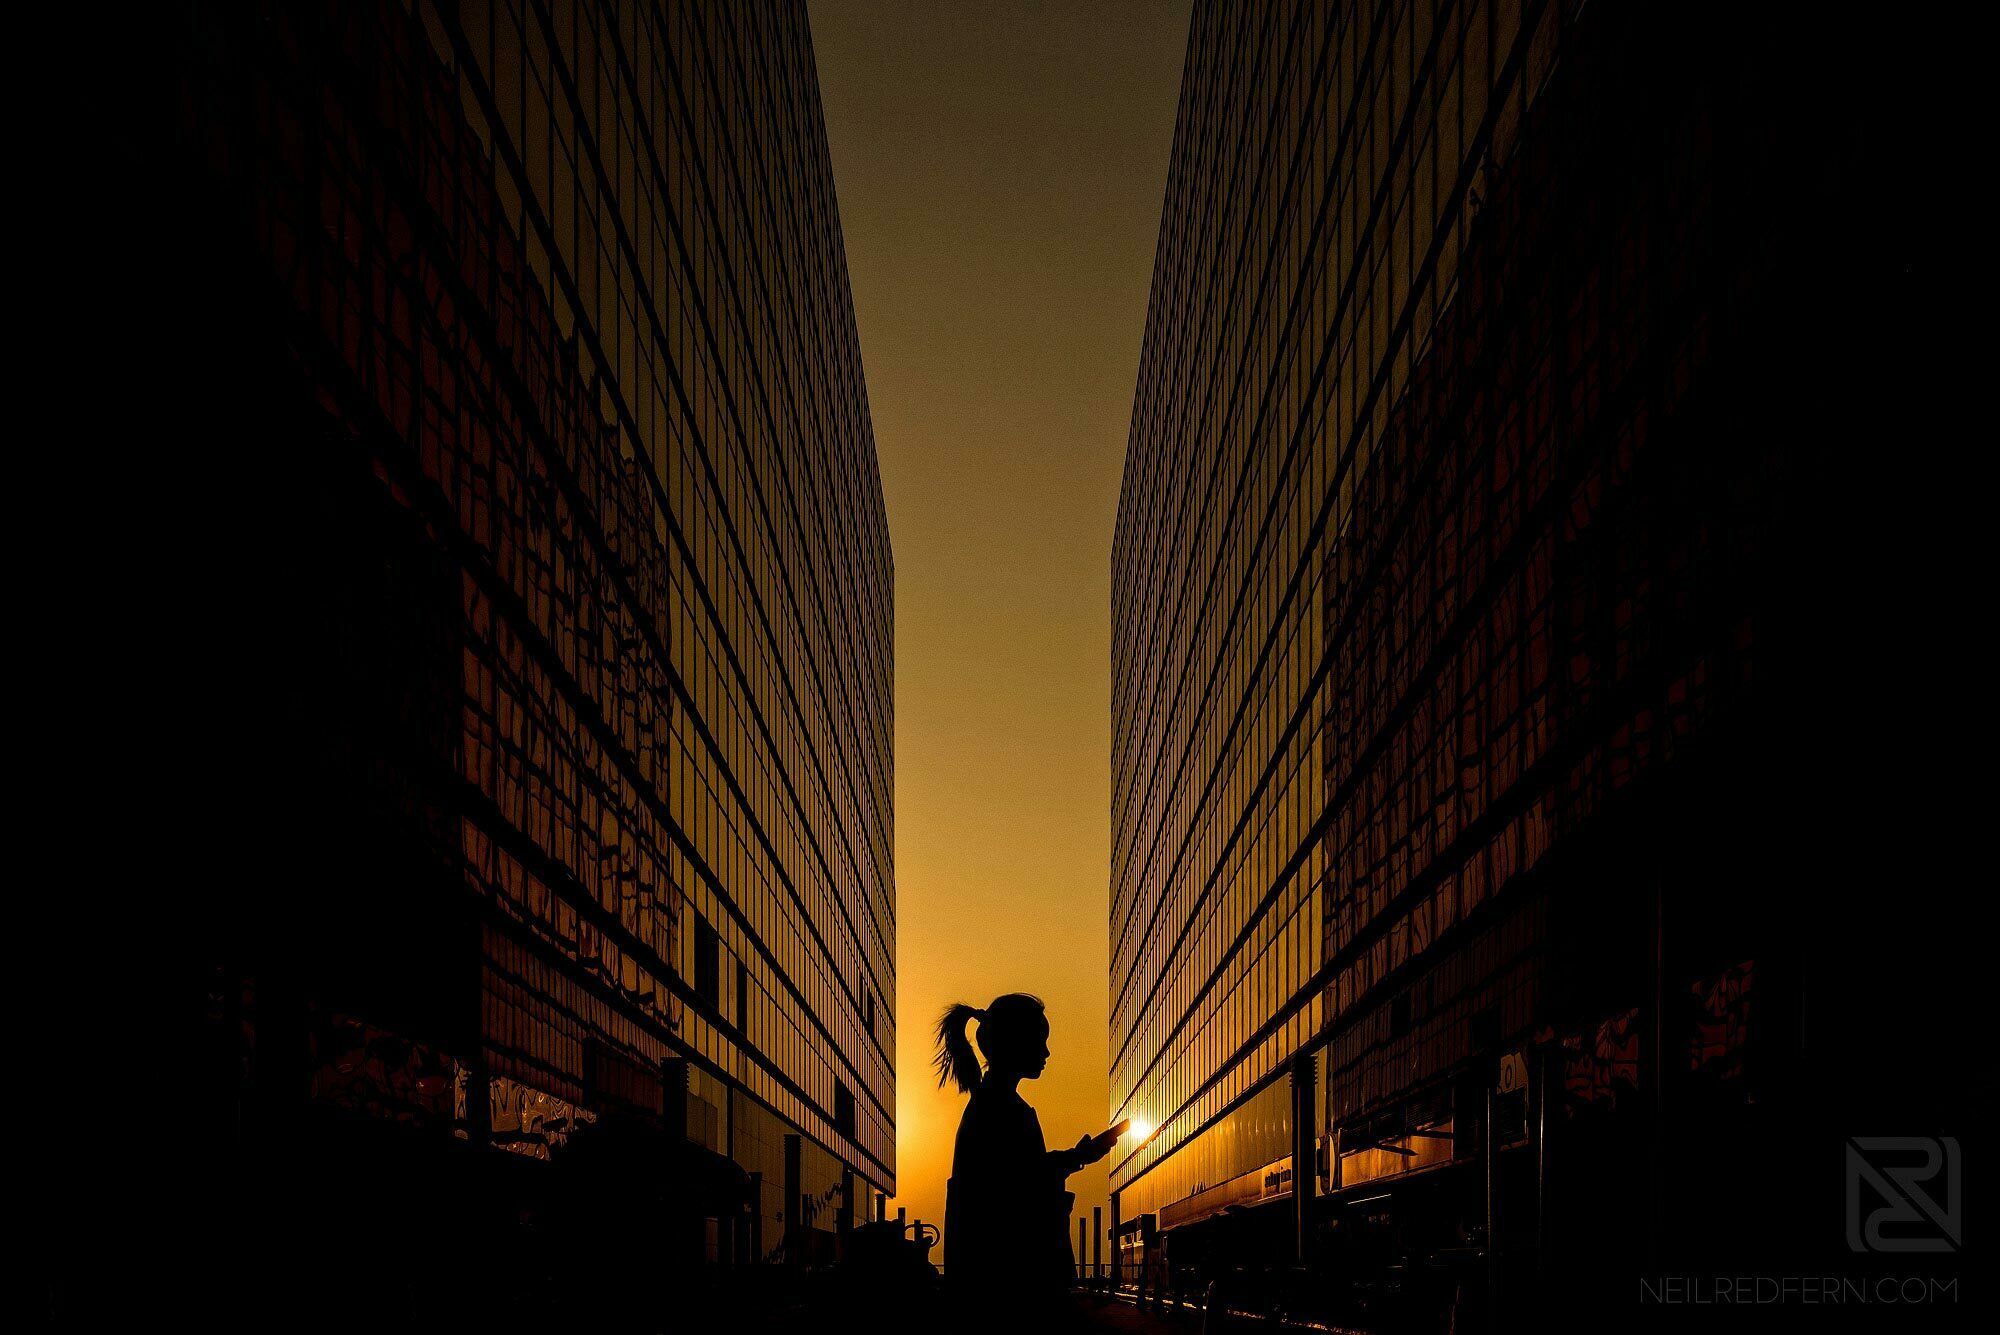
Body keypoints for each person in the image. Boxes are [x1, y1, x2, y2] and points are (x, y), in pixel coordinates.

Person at [935, 993, 1119, 1327]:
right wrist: (1077, 1158)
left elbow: (1020, 1175)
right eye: (1040, 1041)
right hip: (1012, 1286)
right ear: (1014, 1043)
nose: (1046, 1052)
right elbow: (1020, 1188)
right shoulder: (1002, 1110)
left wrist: (1077, 1157)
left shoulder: (993, 1106)